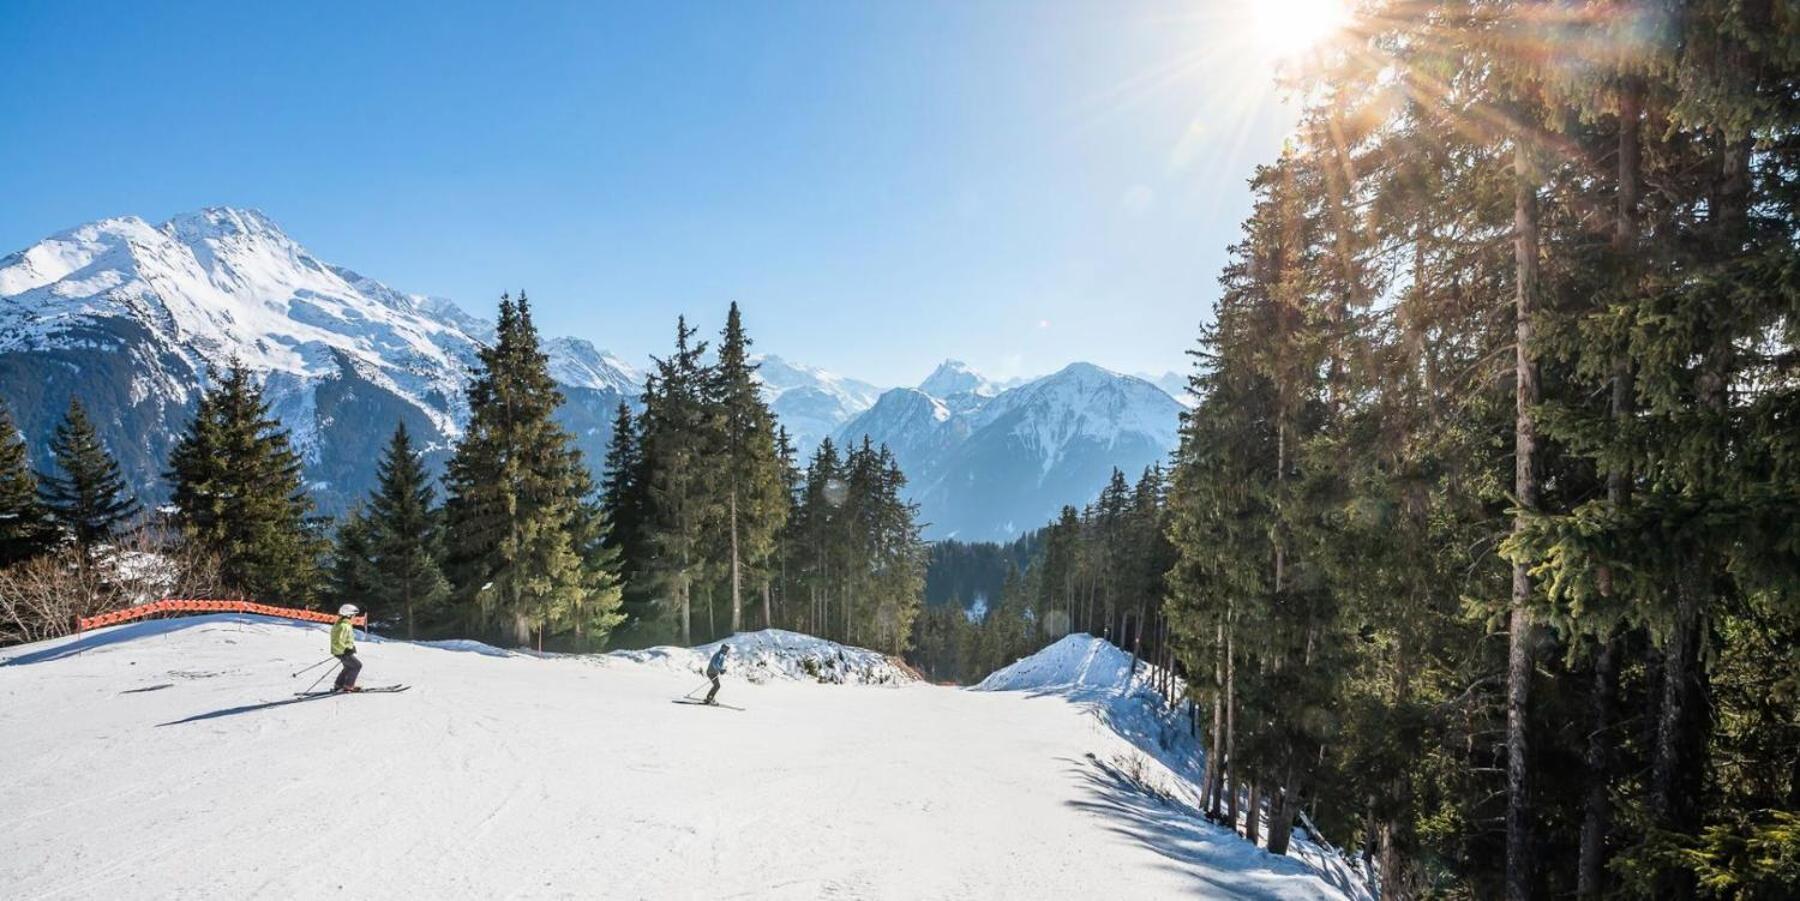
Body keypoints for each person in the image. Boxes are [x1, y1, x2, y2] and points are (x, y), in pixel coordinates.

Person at [331, 604, 363, 693]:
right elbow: (338, 641)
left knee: (348, 666)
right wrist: (346, 649)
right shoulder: (343, 626)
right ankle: (349, 686)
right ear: (348, 615)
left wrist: (351, 647)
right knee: (357, 665)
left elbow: (345, 639)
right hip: (342, 651)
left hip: (341, 651)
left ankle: (339, 685)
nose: (354, 617)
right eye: (353, 615)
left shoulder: (342, 624)